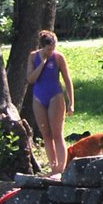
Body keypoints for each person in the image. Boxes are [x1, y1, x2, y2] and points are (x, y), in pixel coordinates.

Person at [26, 29, 74, 176]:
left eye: (53, 47)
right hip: (39, 97)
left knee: (57, 133)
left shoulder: (59, 57)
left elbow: (67, 80)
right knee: (46, 134)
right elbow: (31, 79)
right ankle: (53, 168)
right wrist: (43, 63)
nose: (52, 50)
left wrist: (71, 102)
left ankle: (61, 168)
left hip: (55, 96)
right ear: (42, 46)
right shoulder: (33, 57)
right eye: (49, 48)